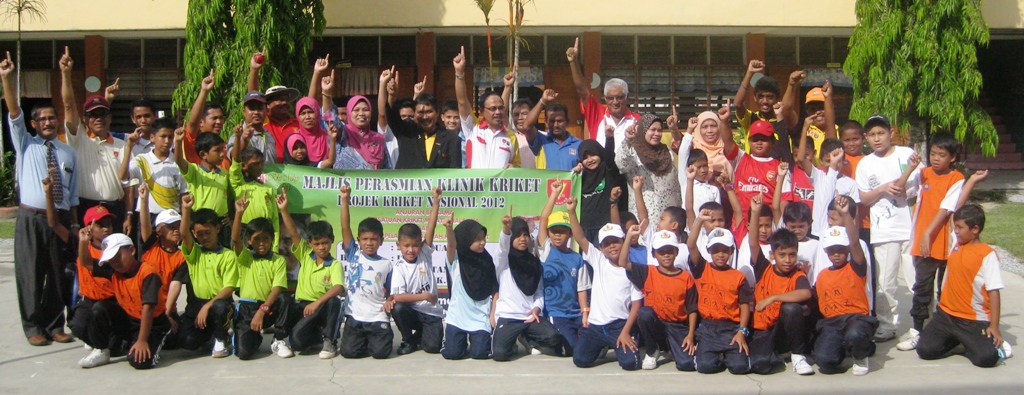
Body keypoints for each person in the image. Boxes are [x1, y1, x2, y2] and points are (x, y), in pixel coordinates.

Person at [4, 51, 79, 346]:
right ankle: (33, 325)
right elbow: (13, 111)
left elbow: (72, 194)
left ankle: (54, 324)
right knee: (31, 274)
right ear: (33, 124)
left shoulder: (67, 151)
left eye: (52, 117)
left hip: (59, 220)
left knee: (58, 273)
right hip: (31, 218)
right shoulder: (26, 144)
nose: (48, 122)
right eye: (42, 119)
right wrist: (7, 79)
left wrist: (72, 223)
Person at [899, 134, 989, 351]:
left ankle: (943, 330)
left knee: (945, 290)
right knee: (922, 287)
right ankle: (917, 330)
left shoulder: (956, 178)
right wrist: (910, 169)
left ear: (953, 157)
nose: (936, 158)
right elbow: (901, 189)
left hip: (944, 241)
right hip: (923, 242)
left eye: (942, 155)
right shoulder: (923, 174)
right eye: (933, 154)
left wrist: (929, 232)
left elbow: (949, 207)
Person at [916, 204, 1013, 367]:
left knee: (986, 359)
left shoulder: (987, 255)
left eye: (960, 227)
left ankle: (977, 342)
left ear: (975, 229)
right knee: (925, 350)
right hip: (945, 316)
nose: (956, 231)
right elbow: (956, 202)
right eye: (955, 227)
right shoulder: (957, 243)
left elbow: (994, 292)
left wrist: (994, 326)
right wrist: (972, 181)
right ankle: (960, 342)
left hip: (973, 320)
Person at [856, 114, 922, 342]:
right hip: (883, 231)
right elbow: (864, 198)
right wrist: (882, 189)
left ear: (891, 133)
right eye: (872, 134)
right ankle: (887, 325)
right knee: (885, 282)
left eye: (881, 133)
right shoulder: (865, 163)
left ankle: (922, 323)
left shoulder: (906, 155)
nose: (877, 138)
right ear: (866, 138)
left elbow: (918, 189)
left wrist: (904, 185)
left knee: (916, 279)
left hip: (911, 228)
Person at [566, 199, 643, 371]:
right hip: (595, 327)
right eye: (606, 244)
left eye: (616, 241)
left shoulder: (632, 268)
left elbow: (637, 304)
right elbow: (580, 237)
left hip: (620, 325)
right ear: (600, 248)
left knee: (631, 364)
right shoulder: (599, 260)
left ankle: (627, 339)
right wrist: (571, 211)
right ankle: (602, 347)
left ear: (624, 241)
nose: (612, 246)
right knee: (580, 360)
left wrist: (625, 331)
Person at [75, 233, 170, 369]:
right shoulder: (114, 270)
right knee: (100, 307)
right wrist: (83, 242)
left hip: (153, 324)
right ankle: (102, 349)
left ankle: (155, 339)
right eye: (111, 259)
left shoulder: (148, 274)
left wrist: (142, 341)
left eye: (118, 256)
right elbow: (86, 262)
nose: (115, 262)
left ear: (132, 250)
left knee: (139, 361)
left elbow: (148, 309)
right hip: (129, 319)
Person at [60, 49, 128, 234]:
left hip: (116, 209)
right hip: (87, 208)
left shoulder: (122, 145)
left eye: (103, 114)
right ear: (85, 120)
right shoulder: (80, 140)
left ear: (110, 117)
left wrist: (129, 213)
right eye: (93, 116)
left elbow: (129, 183)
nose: (98, 119)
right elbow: (68, 105)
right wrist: (66, 74)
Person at [746, 195, 813, 375]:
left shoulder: (797, 274)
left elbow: (806, 293)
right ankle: (775, 354)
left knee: (791, 308)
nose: (788, 260)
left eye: (792, 255)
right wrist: (755, 212)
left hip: (785, 330)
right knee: (760, 366)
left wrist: (773, 298)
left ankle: (798, 355)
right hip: (763, 330)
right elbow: (753, 243)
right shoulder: (764, 269)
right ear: (773, 254)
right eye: (782, 255)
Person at [813, 195, 877, 375]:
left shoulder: (856, 267)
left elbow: (855, 241)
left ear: (847, 249)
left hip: (856, 318)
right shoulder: (823, 275)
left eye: (841, 249)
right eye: (832, 250)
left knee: (855, 334)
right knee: (825, 361)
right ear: (826, 250)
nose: (836, 254)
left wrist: (846, 214)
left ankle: (860, 357)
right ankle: (844, 346)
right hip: (832, 322)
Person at [620, 227, 698, 371]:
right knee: (644, 313)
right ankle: (652, 350)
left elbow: (692, 309)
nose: (666, 255)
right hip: (656, 324)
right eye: (661, 252)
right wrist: (629, 236)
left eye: (670, 251)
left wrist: (690, 335)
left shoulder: (686, 277)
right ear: (654, 254)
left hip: (677, 326)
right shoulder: (647, 272)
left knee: (686, 364)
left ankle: (669, 348)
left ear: (676, 252)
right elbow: (623, 262)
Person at [490, 213, 564, 361]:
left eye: (525, 235)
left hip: (529, 316)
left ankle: (527, 339)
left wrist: (537, 308)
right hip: (509, 317)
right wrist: (506, 230)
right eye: (517, 236)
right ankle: (513, 343)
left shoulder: (534, 262)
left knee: (554, 337)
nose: (523, 239)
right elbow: (503, 248)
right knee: (500, 354)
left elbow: (539, 292)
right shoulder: (504, 262)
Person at [280, 193, 344, 359]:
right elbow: (294, 233)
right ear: (310, 244)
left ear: (331, 241)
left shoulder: (335, 264)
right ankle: (315, 337)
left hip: (320, 307)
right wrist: (284, 210)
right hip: (304, 307)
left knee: (334, 301)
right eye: (317, 244)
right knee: (297, 343)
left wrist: (317, 303)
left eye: (325, 243)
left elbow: (338, 287)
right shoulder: (306, 255)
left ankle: (330, 341)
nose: (321, 247)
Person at [685, 219, 752, 374]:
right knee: (706, 367)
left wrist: (742, 331)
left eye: (725, 250)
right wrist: (700, 221)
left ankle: (731, 355)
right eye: (716, 250)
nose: (720, 254)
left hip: (731, 328)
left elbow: (744, 305)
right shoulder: (702, 268)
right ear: (709, 251)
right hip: (709, 328)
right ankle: (716, 356)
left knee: (739, 368)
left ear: (731, 251)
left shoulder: (738, 277)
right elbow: (691, 245)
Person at [229, 193, 289, 360]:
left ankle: (279, 339)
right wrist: (239, 213)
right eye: (257, 239)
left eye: (266, 239)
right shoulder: (246, 257)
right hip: (248, 308)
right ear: (248, 240)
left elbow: (277, 288)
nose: (262, 243)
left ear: (272, 239)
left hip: (267, 308)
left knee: (285, 299)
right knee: (244, 354)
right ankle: (253, 336)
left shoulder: (278, 260)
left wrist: (263, 310)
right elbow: (235, 240)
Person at [337, 186, 394, 359]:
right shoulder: (353, 254)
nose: (369, 243)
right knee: (349, 352)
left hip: (377, 316)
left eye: (374, 239)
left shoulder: (387, 264)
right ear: (359, 241)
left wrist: (390, 301)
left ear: (381, 241)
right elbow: (345, 226)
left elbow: (392, 292)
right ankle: (362, 339)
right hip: (355, 317)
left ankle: (379, 337)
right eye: (365, 239)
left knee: (380, 353)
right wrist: (345, 199)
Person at [387, 187, 445, 356]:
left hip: (431, 313)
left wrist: (436, 202)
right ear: (399, 246)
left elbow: (431, 228)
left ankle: (420, 336)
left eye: (415, 245)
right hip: (413, 312)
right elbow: (397, 297)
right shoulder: (399, 266)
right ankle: (407, 339)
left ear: (420, 245)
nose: (411, 250)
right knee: (397, 308)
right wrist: (424, 296)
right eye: (406, 246)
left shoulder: (424, 256)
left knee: (432, 347)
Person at [178, 195, 237, 358]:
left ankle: (222, 338)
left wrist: (207, 306)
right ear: (194, 234)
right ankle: (209, 335)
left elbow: (229, 287)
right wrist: (186, 209)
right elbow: (183, 234)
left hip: (219, 304)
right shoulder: (195, 253)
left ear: (217, 229)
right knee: (186, 342)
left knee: (219, 307)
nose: (205, 237)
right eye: (200, 234)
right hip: (197, 305)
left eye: (208, 232)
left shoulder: (228, 255)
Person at [537, 182, 592, 356]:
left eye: (562, 231)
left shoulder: (577, 258)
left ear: (569, 233)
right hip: (556, 313)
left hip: (575, 314)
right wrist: (554, 194)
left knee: (591, 344)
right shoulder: (546, 250)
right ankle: (534, 340)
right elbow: (544, 219)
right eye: (554, 231)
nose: (557, 235)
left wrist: (585, 313)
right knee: (574, 349)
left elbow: (581, 289)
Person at [378, 68, 463, 169]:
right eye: (420, 113)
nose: (425, 117)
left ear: (437, 113)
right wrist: (392, 96)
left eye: (429, 112)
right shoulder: (406, 132)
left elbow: (454, 174)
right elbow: (388, 114)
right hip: (408, 184)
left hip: (437, 185)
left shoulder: (452, 139)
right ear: (415, 114)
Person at [441, 215, 499, 360]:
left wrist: (492, 314)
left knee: (479, 353)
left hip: (480, 318)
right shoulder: (456, 259)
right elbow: (451, 245)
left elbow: (495, 289)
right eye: (477, 239)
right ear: (466, 239)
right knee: (453, 354)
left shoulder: (487, 260)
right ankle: (455, 341)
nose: (483, 242)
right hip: (457, 318)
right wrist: (449, 229)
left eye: (484, 238)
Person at [567, 37, 640, 148]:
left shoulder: (637, 120)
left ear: (627, 97)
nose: (615, 102)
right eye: (610, 98)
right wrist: (573, 62)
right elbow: (581, 90)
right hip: (601, 165)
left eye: (619, 97)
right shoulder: (597, 114)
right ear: (605, 98)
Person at [453, 48, 518, 169]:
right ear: (482, 111)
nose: (498, 112)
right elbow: (462, 101)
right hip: (475, 188)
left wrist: (514, 168)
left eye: (500, 108)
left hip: (500, 188)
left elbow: (518, 166)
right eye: (493, 109)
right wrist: (459, 73)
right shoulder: (473, 128)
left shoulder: (511, 136)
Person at [63, 204, 115, 353]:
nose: (106, 229)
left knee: (116, 347)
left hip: (112, 301)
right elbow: (84, 259)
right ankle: (95, 339)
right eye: (100, 225)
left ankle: (102, 341)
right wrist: (84, 240)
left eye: (109, 225)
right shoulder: (84, 248)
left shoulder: (117, 248)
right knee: (77, 325)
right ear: (89, 228)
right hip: (90, 299)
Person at [615, 114, 682, 227]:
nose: (657, 134)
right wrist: (628, 140)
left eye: (660, 130)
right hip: (645, 216)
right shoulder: (634, 151)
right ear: (643, 130)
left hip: (669, 218)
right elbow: (622, 164)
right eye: (653, 130)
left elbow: (675, 184)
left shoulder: (666, 152)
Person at [727, 118, 782, 240]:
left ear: (772, 142)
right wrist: (725, 121)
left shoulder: (779, 167)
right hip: (742, 228)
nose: (759, 143)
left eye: (764, 139)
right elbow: (728, 143)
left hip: (766, 231)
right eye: (755, 139)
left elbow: (781, 203)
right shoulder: (741, 159)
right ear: (749, 141)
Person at [174, 128, 230, 246]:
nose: (222, 154)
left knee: (223, 253)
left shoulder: (225, 174)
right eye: (217, 150)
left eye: (222, 149)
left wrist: (231, 216)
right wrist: (178, 142)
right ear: (203, 154)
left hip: (220, 223)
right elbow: (179, 160)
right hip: (200, 222)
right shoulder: (195, 172)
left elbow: (230, 198)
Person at [122, 118, 188, 216]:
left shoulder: (177, 163)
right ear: (152, 137)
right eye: (163, 136)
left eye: (170, 137)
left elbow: (184, 193)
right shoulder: (141, 160)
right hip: (148, 216)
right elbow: (122, 176)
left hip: (173, 216)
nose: (167, 141)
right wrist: (129, 147)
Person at [230, 130, 281, 250]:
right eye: (255, 164)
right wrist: (238, 137)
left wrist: (275, 246)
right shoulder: (238, 184)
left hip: (265, 233)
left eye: (262, 163)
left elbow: (275, 219)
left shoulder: (267, 189)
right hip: (244, 231)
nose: (260, 167)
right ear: (244, 166)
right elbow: (235, 162)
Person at [734, 60, 793, 163]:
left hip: (777, 173)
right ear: (755, 98)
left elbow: (787, 108)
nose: (765, 101)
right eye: (761, 97)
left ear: (777, 99)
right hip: (753, 172)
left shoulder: (782, 120)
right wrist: (749, 73)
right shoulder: (751, 118)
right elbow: (738, 104)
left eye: (769, 97)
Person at [248, 50, 301, 163]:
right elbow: (253, 97)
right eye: (280, 100)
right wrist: (255, 70)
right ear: (267, 105)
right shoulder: (265, 121)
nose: (285, 103)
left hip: (295, 177)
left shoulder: (297, 124)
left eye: (287, 100)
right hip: (270, 177)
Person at [575, 139, 624, 245]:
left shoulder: (608, 170)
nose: (590, 160)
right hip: (584, 229)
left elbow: (609, 157)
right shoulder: (580, 176)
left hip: (605, 228)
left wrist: (609, 138)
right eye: (585, 157)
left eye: (593, 155)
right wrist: (574, 174)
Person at [184, 69, 227, 166]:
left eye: (221, 118)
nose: (219, 122)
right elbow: (192, 123)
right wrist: (204, 91)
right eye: (214, 118)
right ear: (201, 122)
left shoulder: (225, 146)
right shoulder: (194, 143)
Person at [334, 95, 386, 169]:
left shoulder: (379, 138)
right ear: (349, 113)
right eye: (356, 110)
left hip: (373, 180)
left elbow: (387, 171)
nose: (361, 113)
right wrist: (326, 93)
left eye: (365, 110)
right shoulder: (342, 134)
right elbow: (330, 118)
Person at [226, 91, 277, 164]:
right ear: (244, 112)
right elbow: (234, 158)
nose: (256, 112)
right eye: (252, 109)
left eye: (260, 108)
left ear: (266, 111)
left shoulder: (269, 135)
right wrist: (243, 140)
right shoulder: (238, 135)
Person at [294, 97, 334, 165]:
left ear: (317, 113)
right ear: (298, 116)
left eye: (310, 112)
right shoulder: (294, 139)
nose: (307, 117)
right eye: (303, 113)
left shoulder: (328, 136)